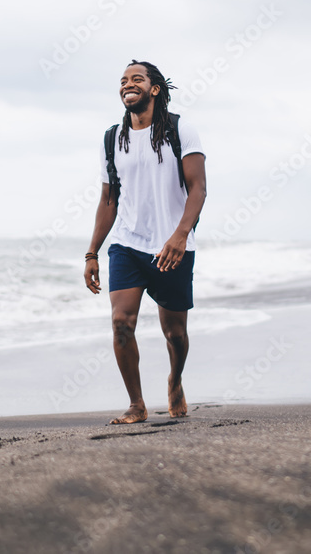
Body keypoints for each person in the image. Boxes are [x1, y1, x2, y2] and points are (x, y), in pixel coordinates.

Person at [84, 60, 207, 425]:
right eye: (123, 81)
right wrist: (92, 252)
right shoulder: (113, 138)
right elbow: (109, 200)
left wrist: (180, 235)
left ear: (154, 89)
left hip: (172, 246)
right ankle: (137, 404)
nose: (127, 85)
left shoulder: (179, 129)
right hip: (126, 243)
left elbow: (198, 188)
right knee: (122, 322)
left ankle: (175, 379)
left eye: (137, 79)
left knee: (176, 333)